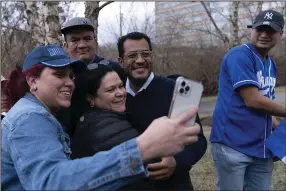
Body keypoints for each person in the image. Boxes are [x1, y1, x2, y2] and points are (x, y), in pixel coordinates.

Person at [1, 44, 201, 190]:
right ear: (32, 81)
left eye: (71, 76)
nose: (69, 82)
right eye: (59, 74)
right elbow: (51, 183)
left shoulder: (42, 114)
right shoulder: (29, 118)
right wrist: (143, 147)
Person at [117, 32, 207, 190]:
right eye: (132, 55)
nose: (140, 60)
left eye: (146, 54)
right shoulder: (114, 94)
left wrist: (177, 161)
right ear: (121, 61)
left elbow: (197, 141)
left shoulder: (175, 90)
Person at [210, 9, 285, 190]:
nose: (264, 34)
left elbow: (267, 103)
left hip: (260, 147)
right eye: (260, 29)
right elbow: (253, 100)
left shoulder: (270, 63)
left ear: (281, 34)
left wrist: (278, 135)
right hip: (232, 144)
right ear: (252, 30)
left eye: (271, 30)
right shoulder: (239, 55)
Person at [58, 17, 125, 134]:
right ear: (65, 46)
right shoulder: (58, 75)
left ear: (96, 43)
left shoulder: (114, 70)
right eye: (74, 40)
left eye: (87, 38)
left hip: (109, 136)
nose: (82, 45)